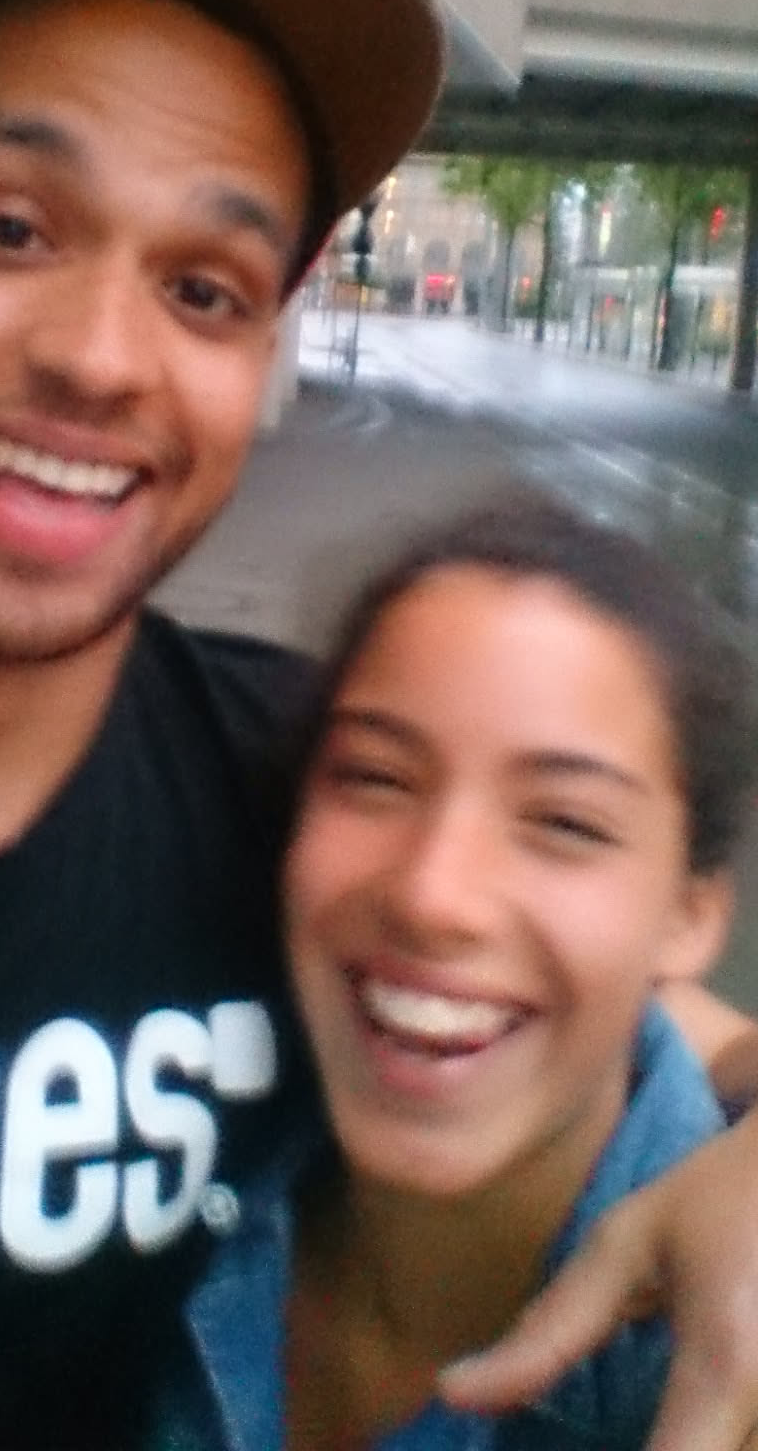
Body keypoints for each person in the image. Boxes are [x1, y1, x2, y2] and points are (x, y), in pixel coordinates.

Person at [0, 0, 758, 1449]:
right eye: (8, 227)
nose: (98, 358)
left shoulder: (295, 791)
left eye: (203, 291)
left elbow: (614, 987)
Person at [152, 500, 755, 1450]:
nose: (433, 895)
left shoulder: (713, 1342)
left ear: (690, 916)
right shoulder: (159, 1124)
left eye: (565, 823)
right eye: (375, 778)